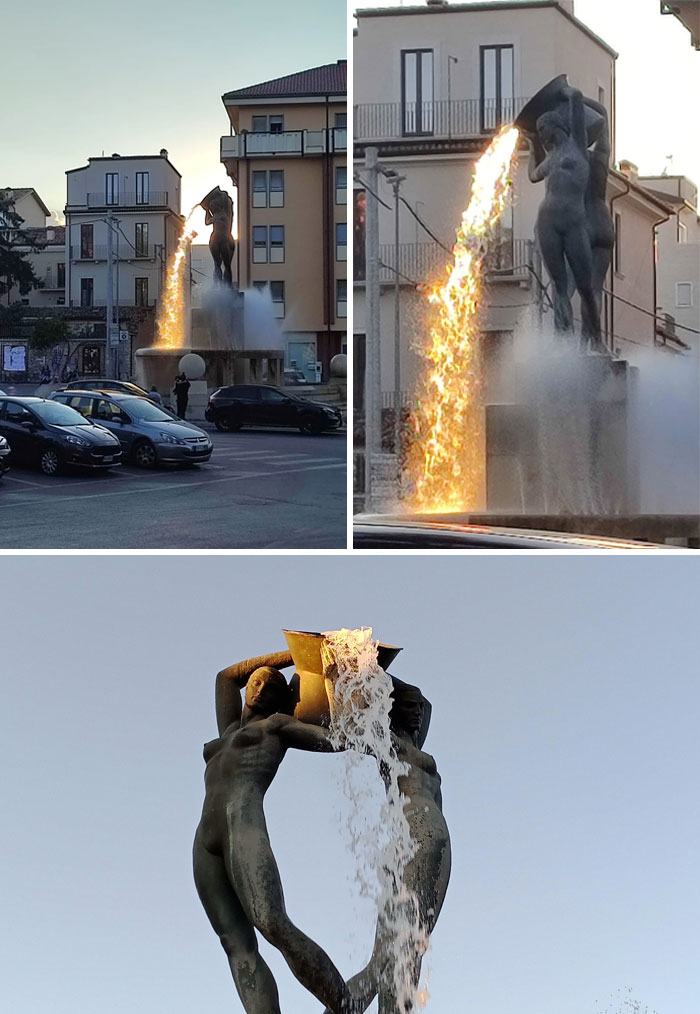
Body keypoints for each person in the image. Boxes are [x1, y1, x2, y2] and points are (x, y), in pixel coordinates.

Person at [193, 650, 356, 1014]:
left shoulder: (277, 725)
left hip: (242, 821)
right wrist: (293, 655)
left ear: (280, 700)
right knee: (235, 943)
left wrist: (318, 668)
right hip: (205, 838)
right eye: (256, 681)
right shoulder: (229, 730)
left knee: (271, 922)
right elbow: (225, 676)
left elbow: (335, 740)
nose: (260, 688)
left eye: (270, 686)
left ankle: (345, 1006)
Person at [331, 682, 451, 1014]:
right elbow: (366, 713)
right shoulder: (390, 743)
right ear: (396, 709)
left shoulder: (407, 744)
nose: (419, 711)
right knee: (404, 949)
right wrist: (366, 664)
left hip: (402, 847)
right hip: (424, 835)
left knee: (395, 954)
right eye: (412, 707)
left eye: (419, 708)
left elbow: (426, 702)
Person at [525, 86, 601, 348]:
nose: (542, 136)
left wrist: (563, 90)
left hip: (574, 222)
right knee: (558, 286)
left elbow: (577, 98)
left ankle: (595, 339)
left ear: (555, 126)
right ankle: (563, 344)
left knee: (585, 286)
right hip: (547, 221)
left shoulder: (576, 147)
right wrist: (531, 144)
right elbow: (533, 176)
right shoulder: (551, 158)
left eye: (542, 131)